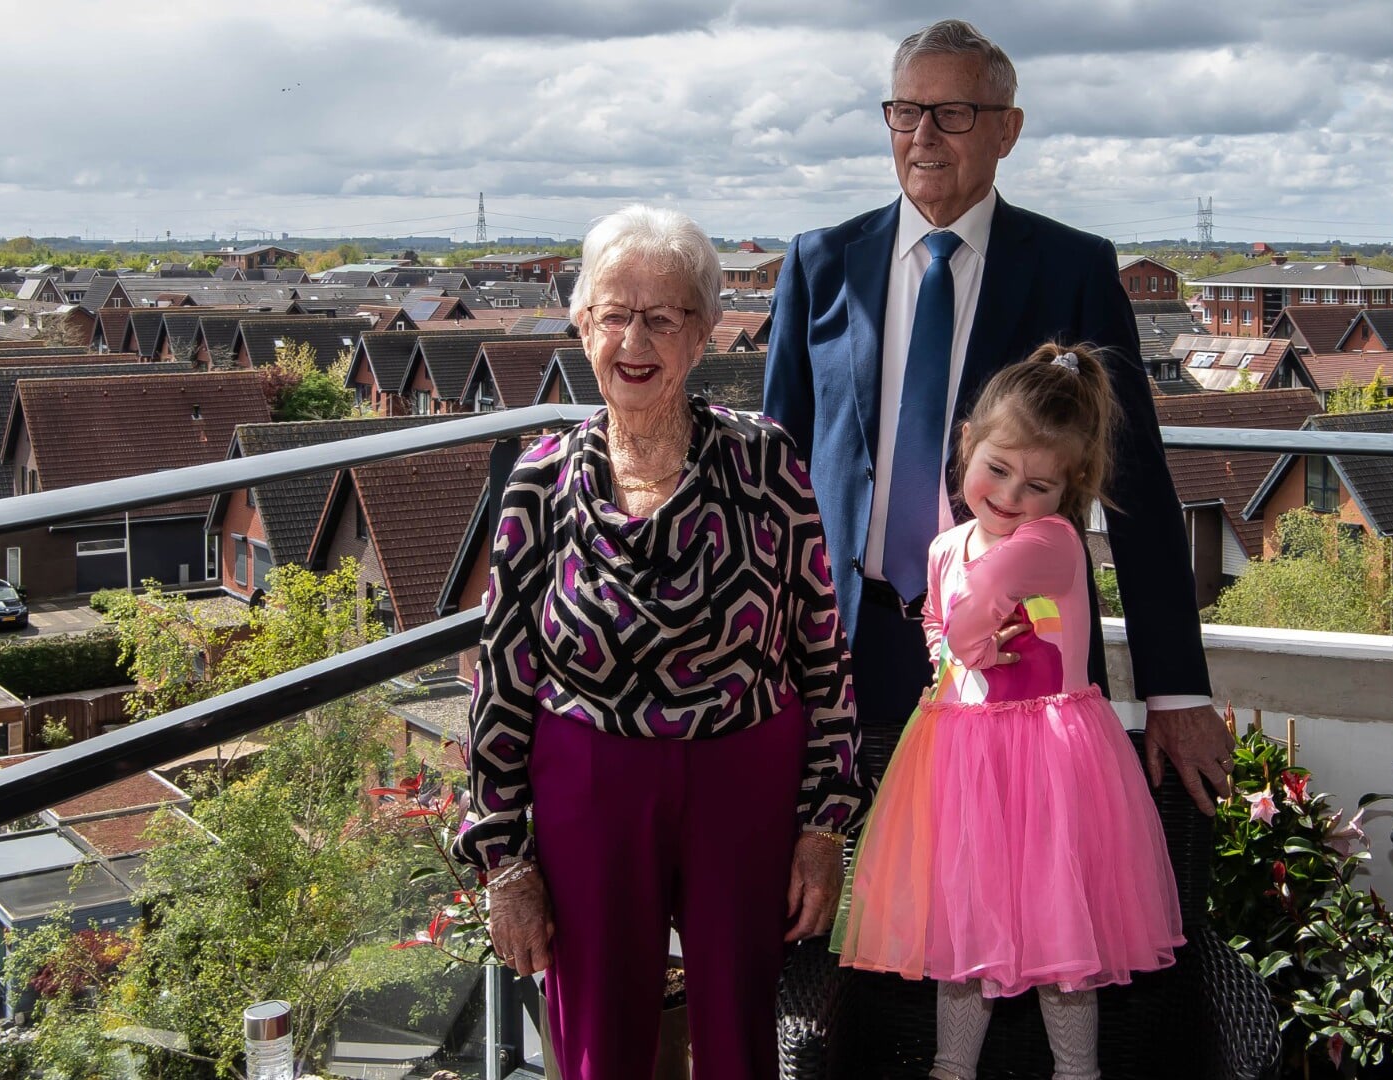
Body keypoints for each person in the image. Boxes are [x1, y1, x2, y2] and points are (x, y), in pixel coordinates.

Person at [762, 19, 1233, 820]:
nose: (923, 136)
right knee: (852, 905)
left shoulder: (1072, 269)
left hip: (1022, 655)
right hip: (846, 644)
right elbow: (773, 478)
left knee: (1004, 892)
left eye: (952, 113)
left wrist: (1175, 688)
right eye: (905, 111)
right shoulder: (821, 263)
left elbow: (1138, 487)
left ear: (1007, 131)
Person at [452, 205, 865, 1080]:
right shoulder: (538, 479)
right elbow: (504, 674)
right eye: (614, 313)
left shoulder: (767, 462)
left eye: (663, 315)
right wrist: (503, 860)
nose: (634, 339)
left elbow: (823, 651)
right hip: (589, 786)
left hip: (744, 777)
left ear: (704, 331)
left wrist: (826, 826)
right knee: (598, 1042)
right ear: (581, 325)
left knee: (742, 1035)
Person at [832, 344, 1184, 1080]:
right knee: (965, 932)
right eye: (997, 467)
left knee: (1061, 934)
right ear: (967, 444)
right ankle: (951, 1068)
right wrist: (956, 652)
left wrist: (970, 643)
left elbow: (970, 617)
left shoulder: (1050, 543)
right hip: (965, 758)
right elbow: (940, 624)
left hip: (1049, 763)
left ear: (1067, 493)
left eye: (1038, 484)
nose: (1010, 493)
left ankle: (1076, 1071)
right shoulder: (943, 545)